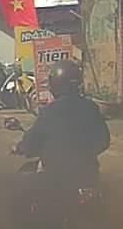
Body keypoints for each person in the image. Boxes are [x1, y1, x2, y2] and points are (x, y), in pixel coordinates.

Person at [11, 60, 110, 202]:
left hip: (55, 177)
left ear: (55, 84)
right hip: (88, 174)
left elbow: (32, 142)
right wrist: (85, 153)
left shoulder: (49, 112)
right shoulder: (90, 107)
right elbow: (104, 141)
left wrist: (21, 147)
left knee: (21, 186)